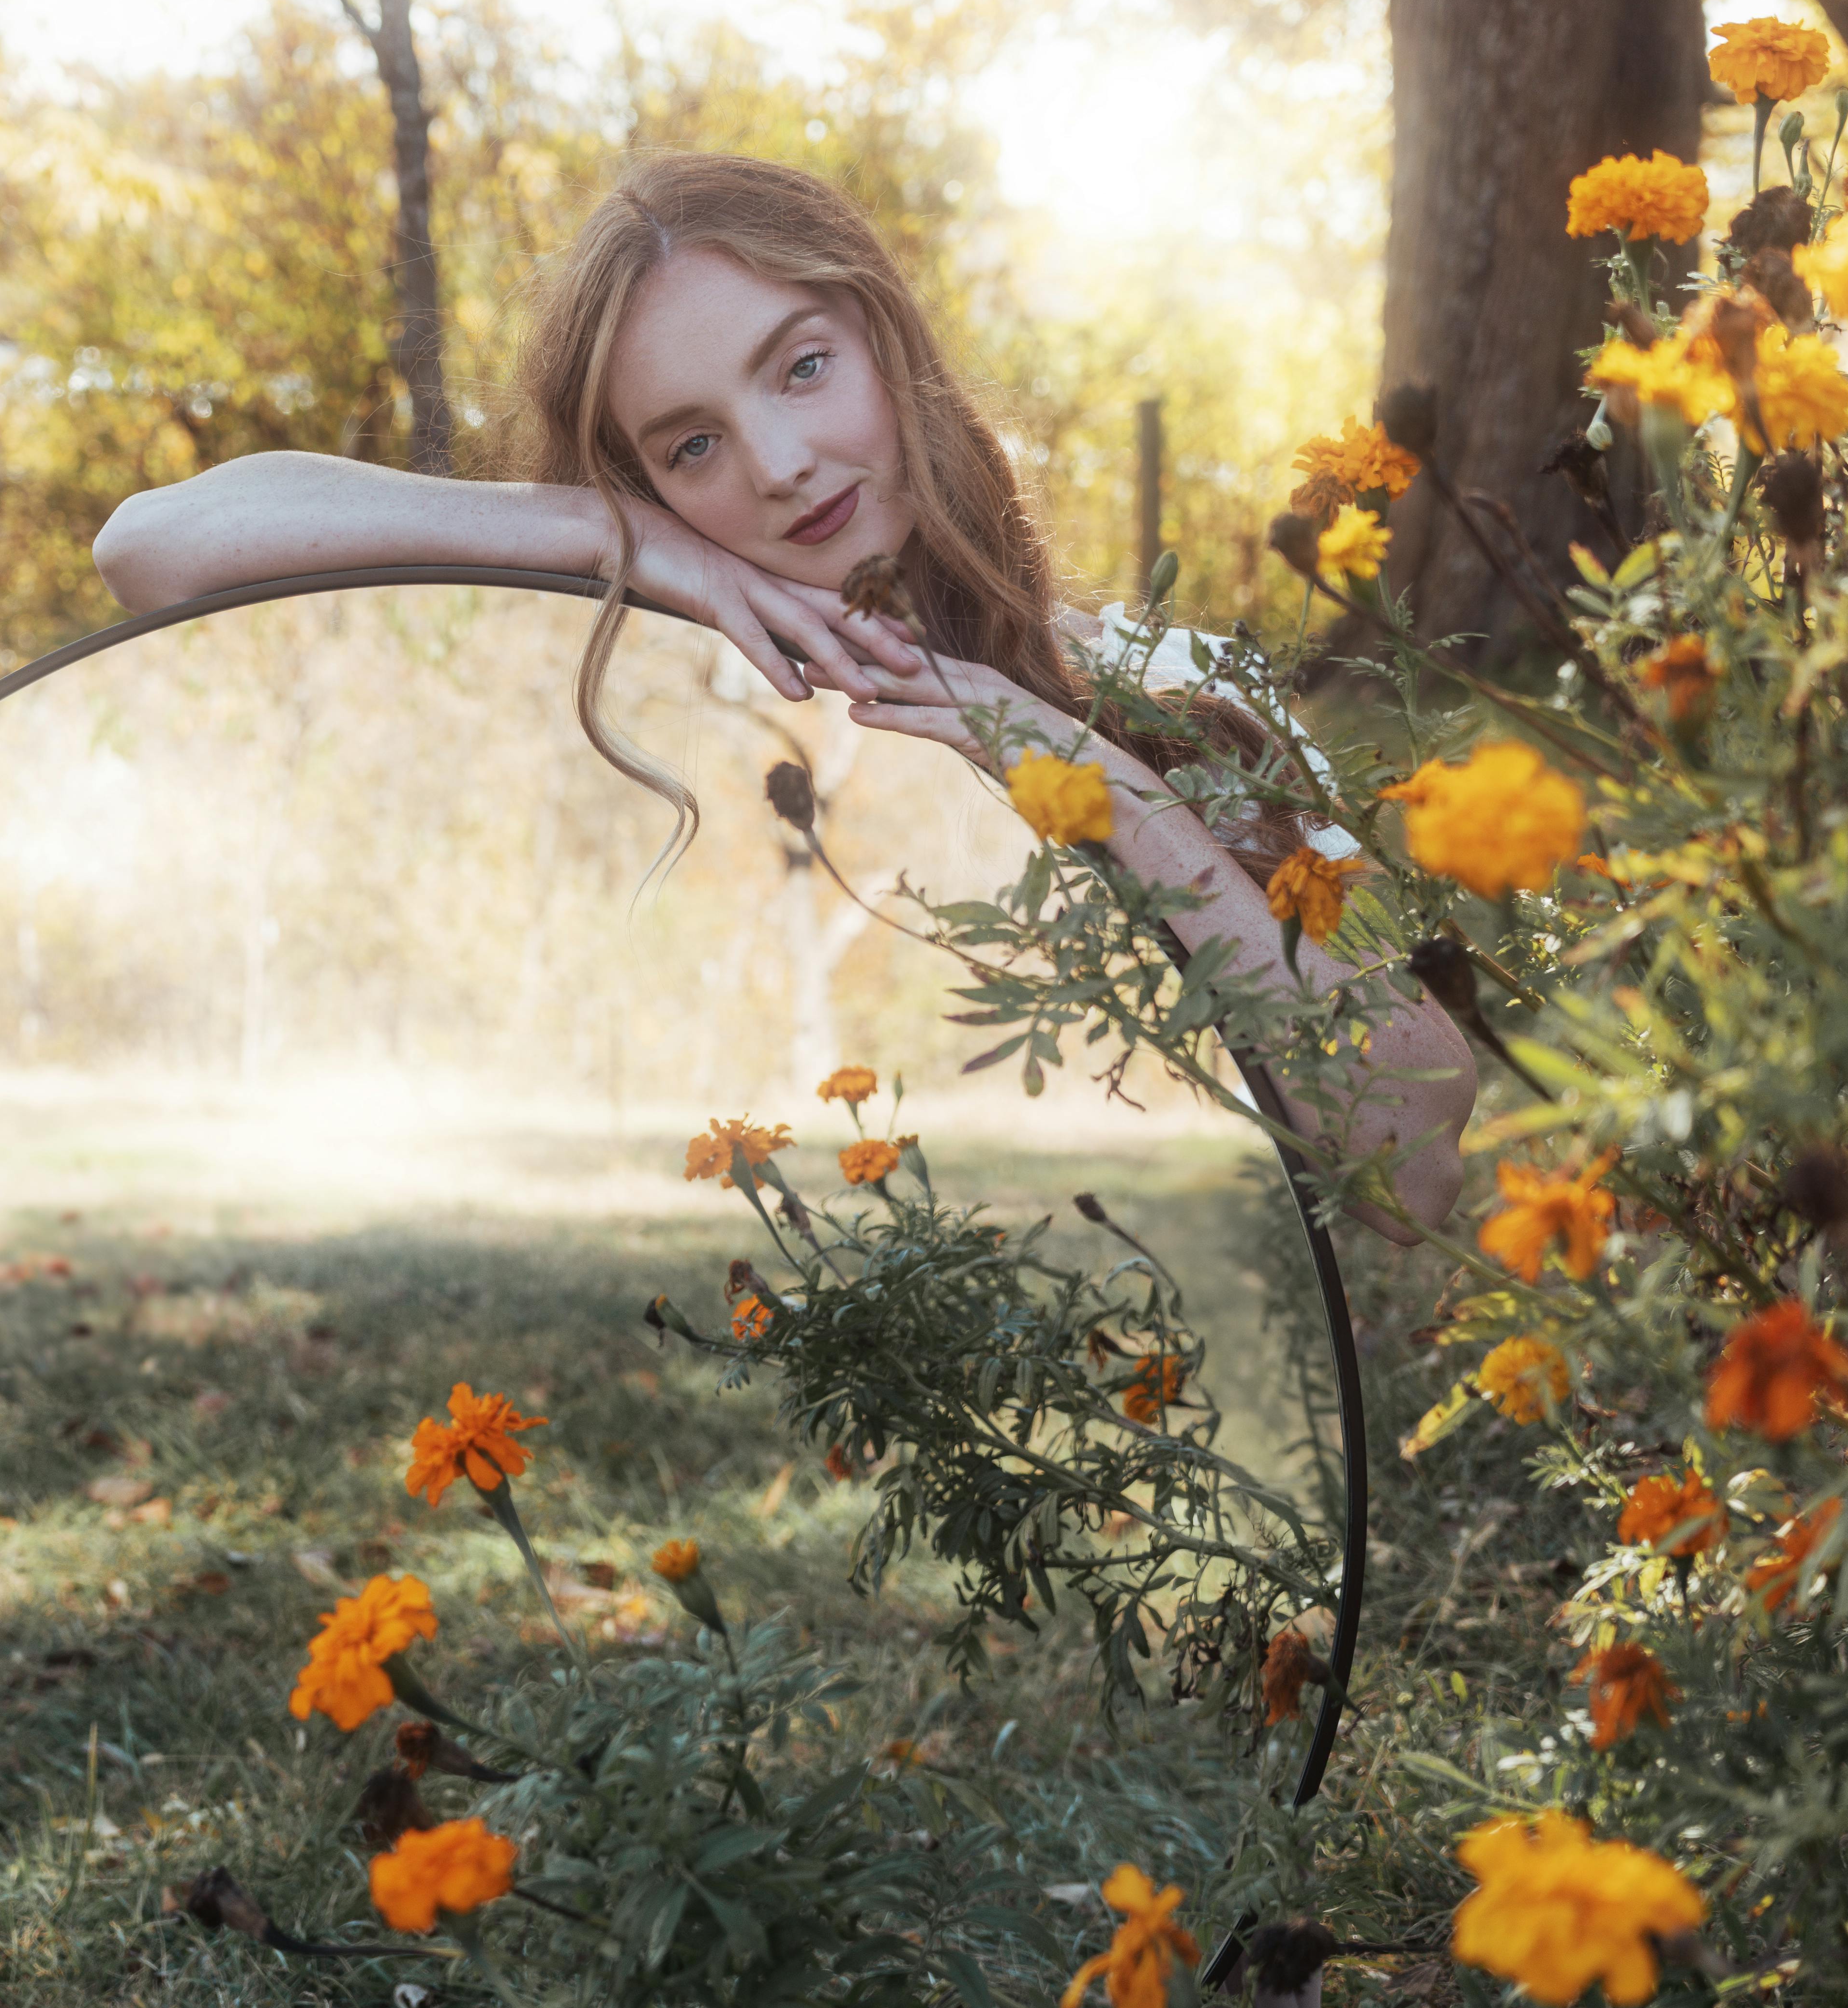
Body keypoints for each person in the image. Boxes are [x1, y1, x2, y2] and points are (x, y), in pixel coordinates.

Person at [95, 150, 1474, 1232]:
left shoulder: (1181, 687)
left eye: (803, 367)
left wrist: (1102, 787)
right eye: (690, 444)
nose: (774, 463)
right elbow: (152, 548)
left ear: (892, 348)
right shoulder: (671, 709)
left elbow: (1406, 1167)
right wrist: (602, 533)